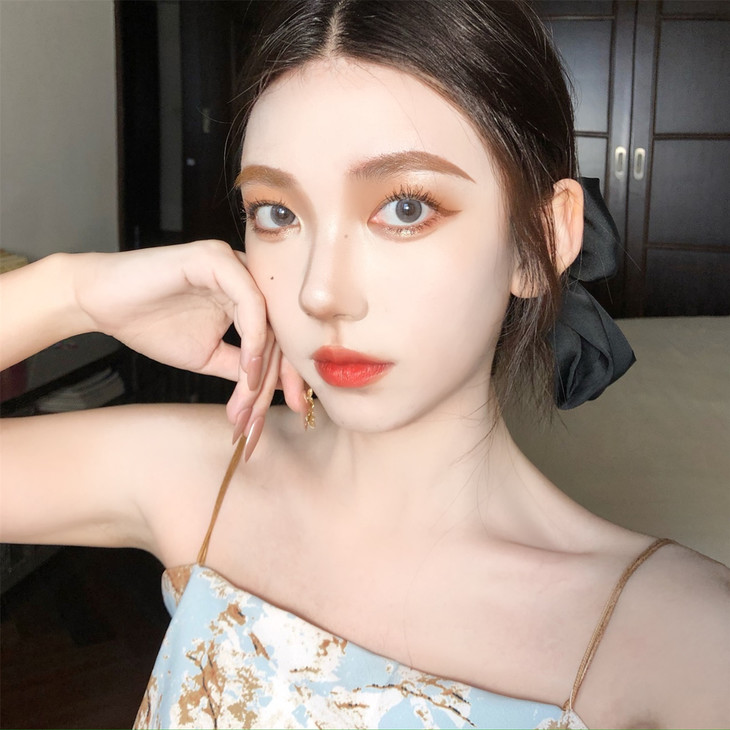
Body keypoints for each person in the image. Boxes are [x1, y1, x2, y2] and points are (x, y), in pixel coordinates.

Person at [1, 1, 728, 727]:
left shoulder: (681, 640)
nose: (320, 292)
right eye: (277, 213)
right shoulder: (202, 476)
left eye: (406, 208)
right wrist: (72, 292)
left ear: (542, 238)